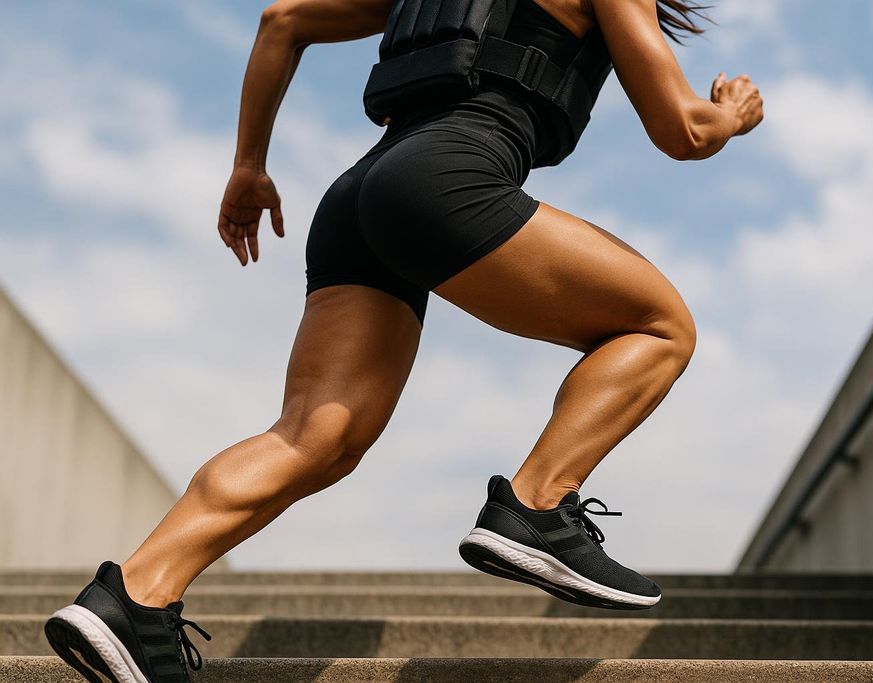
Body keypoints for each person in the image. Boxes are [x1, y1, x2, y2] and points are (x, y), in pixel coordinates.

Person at [44, 0, 763, 680]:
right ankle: (538, 503)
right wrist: (730, 116)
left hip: (358, 195)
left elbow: (283, 20)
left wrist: (248, 165)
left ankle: (135, 594)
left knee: (315, 435)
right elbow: (684, 130)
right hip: (448, 174)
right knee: (660, 325)